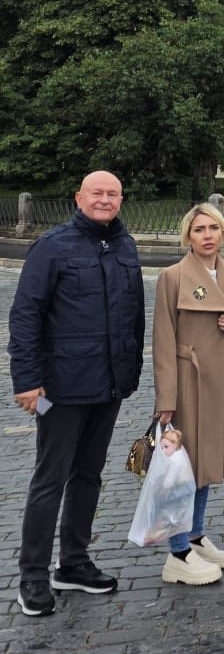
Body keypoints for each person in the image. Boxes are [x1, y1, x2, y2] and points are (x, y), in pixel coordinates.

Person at [9, 171, 145, 618]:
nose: (105, 200)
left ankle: (73, 562)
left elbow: (134, 315)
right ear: (78, 198)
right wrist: (27, 380)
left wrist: (130, 371)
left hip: (108, 385)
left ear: (121, 199)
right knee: (50, 479)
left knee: (88, 476)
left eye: (112, 194)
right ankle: (32, 575)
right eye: (97, 193)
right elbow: (26, 314)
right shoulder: (52, 247)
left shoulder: (125, 246)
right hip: (61, 388)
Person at [153, 203, 224, 586]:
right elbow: (163, 340)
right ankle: (178, 552)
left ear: (223, 232)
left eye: (213, 228)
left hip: (221, 379)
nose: (207, 235)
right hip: (187, 381)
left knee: (206, 463)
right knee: (183, 468)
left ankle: (194, 536)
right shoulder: (173, 276)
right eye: (199, 229)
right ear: (188, 236)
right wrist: (166, 399)